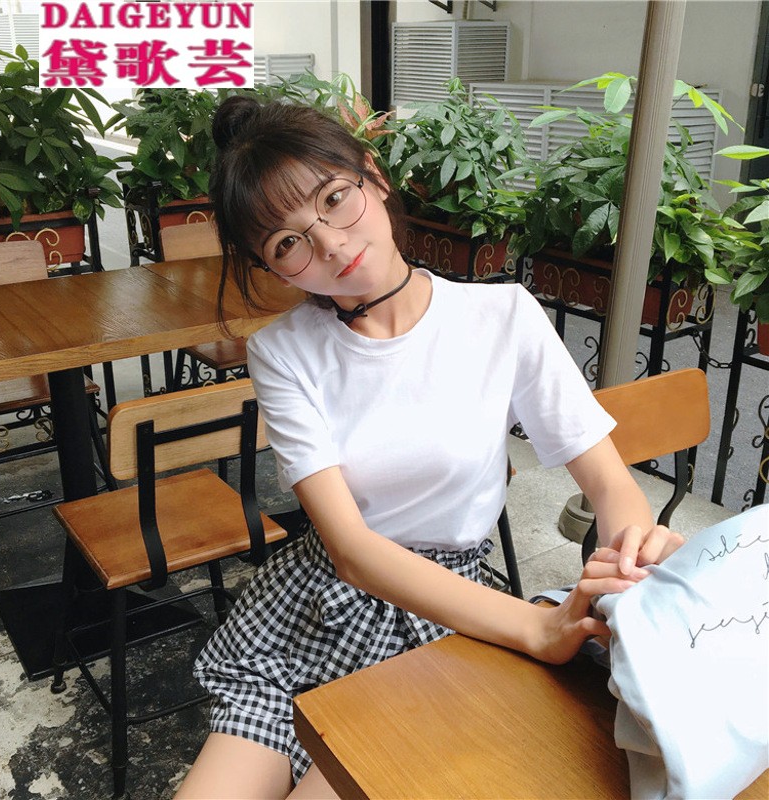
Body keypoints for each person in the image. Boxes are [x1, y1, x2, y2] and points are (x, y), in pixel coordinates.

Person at [175, 96, 684, 800]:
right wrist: (538, 628)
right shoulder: (283, 352)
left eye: (335, 199)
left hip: (443, 620)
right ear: (275, 269)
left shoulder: (502, 316)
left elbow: (608, 481)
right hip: (314, 607)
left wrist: (633, 557)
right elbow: (351, 549)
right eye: (288, 243)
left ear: (375, 176)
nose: (330, 245)